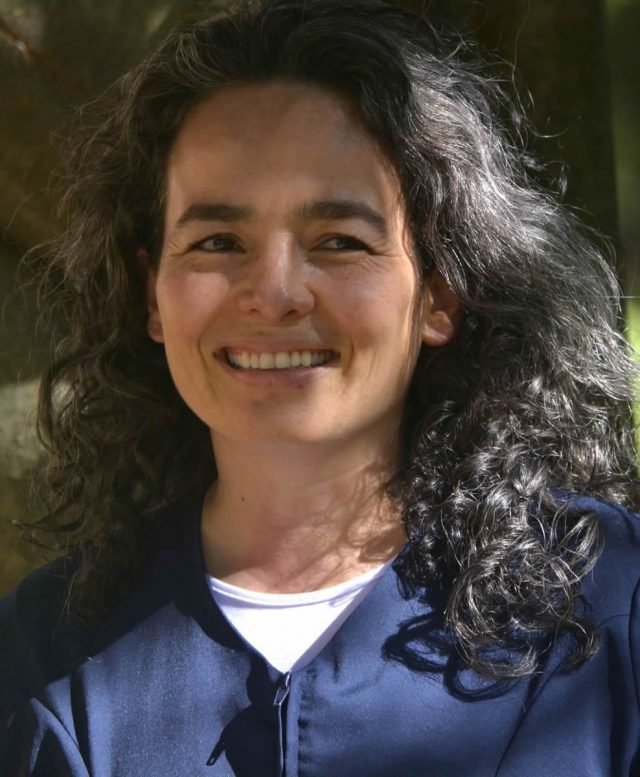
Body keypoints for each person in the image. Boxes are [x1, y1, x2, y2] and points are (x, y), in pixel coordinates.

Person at [1, 0, 639, 774]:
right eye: (217, 241)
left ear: (440, 294)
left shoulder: (613, 603)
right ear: (151, 297)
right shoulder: (45, 653)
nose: (274, 293)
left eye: (339, 240)